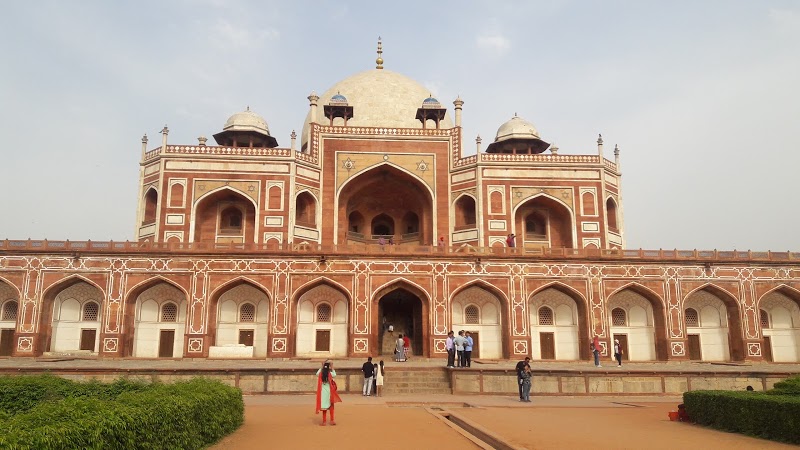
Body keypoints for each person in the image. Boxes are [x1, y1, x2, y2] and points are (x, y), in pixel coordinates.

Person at [315, 361, 341, 425]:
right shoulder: (330, 374)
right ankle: (332, 420)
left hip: (323, 393)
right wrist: (332, 367)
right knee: (331, 406)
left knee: (324, 408)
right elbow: (334, 374)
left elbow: (317, 373)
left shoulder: (321, 374)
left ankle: (324, 421)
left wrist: (322, 366)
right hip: (330, 392)